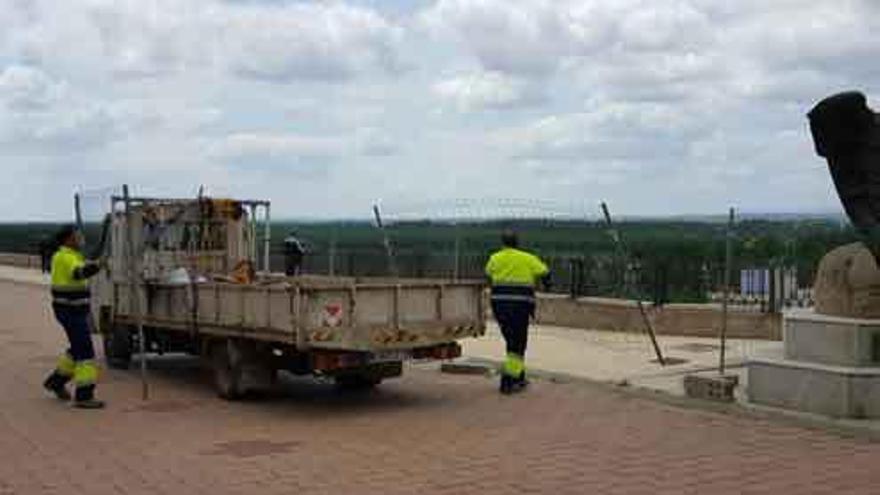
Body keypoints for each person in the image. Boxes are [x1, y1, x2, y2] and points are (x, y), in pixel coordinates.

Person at [42, 225, 106, 409]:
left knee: (77, 348)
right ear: (69, 239)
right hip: (70, 311)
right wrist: (98, 266)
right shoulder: (66, 257)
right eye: (78, 236)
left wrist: (94, 264)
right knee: (85, 354)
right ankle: (84, 396)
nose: (81, 238)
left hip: (72, 310)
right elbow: (79, 273)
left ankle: (55, 382)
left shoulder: (68, 256)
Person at [484, 229, 549, 394]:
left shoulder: (495, 258)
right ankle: (508, 381)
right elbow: (545, 272)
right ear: (517, 242)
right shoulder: (527, 258)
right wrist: (547, 285)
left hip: (499, 305)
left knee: (512, 342)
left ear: (503, 243)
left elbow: (488, 273)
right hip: (520, 306)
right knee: (518, 344)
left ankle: (519, 377)